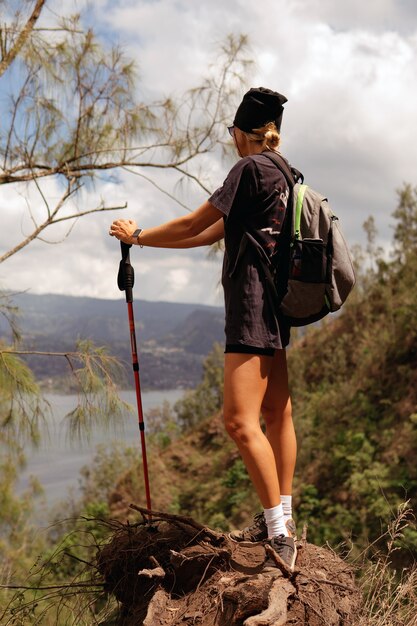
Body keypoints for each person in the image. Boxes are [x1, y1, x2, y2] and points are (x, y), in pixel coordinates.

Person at [109, 87, 298, 571]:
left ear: (241, 132)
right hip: (279, 310)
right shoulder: (286, 174)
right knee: (277, 414)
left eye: (233, 131)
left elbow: (196, 220)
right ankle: (284, 518)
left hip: (252, 308)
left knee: (239, 421)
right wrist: (149, 244)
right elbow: (211, 233)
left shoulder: (249, 169)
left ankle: (278, 535)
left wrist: (138, 235)